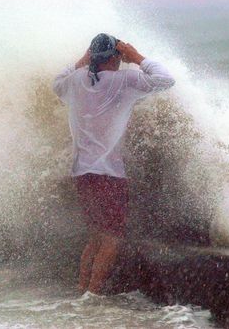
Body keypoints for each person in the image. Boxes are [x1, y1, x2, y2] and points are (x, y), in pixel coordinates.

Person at [53, 33, 175, 294]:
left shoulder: (75, 81)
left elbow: (56, 84)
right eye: (120, 55)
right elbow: (166, 80)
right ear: (115, 57)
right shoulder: (124, 80)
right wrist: (137, 57)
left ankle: (83, 291)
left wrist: (80, 61)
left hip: (82, 172)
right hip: (108, 174)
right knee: (111, 239)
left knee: (97, 237)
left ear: (91, 56)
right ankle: (92, 296)